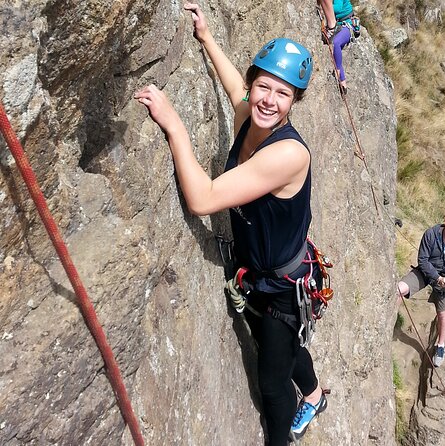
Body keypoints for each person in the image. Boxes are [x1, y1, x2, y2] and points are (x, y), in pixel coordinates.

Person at [135, 4, 325, 444]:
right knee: (284, 348)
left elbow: (203, 199)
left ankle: (288, 428)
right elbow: (236, 89)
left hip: (281, 288)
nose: (268, 100)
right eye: (264, 87)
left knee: (273, 382)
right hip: (258, 272)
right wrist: (205, 37)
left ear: (294, 102)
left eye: (282, 94)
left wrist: (175, 127)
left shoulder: (288, 153)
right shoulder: (250, 116)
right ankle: (316, 393)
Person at [397, 213, 445, 367]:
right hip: (426, 273)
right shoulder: (430, 235)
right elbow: (422, 261)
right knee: (399, 289)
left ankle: (440, 345)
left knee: (442, 312)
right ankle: (389, 322)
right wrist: (437, 278)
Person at [318, 0, 357, 94]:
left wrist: (323, 8)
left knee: (336, 43)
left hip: (348, 25)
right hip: (339, 26)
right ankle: (343, 84)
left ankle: (338, 72)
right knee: (335, 50)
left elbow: (338, 8)